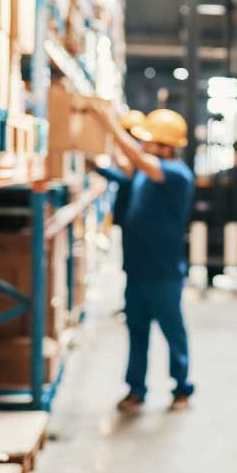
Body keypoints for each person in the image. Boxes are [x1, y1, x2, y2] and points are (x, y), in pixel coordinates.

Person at [91, 106, 197, 414]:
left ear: (165, 145)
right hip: (136, 271)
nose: (142, 144)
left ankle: (182, 388)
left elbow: (135, 160)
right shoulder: (143, 173)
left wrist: (110, 124)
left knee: (172, 332)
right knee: (137, 333)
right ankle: (136, 390)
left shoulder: (176, 174)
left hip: (163, 273)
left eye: (148, 140)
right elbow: (126, 166)